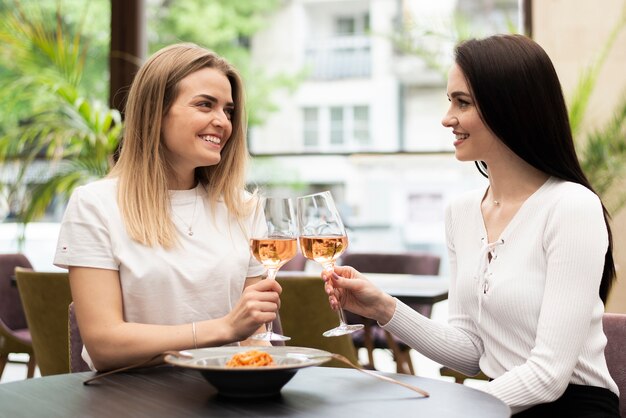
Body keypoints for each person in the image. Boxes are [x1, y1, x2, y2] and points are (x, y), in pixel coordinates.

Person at [323, 34, 620, 416]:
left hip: (572, 408)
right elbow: (469, 351)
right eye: (450, 101)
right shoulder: (461, 212)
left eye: (462, 102)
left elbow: (548, 374)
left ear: (510, 108)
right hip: (501, 404)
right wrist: (383, 307)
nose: (447, 118)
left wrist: (453, 409)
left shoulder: (572, 206)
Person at [53, 43, 281, 372]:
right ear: (155, 112)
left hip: (227, 393)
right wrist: (224, 329)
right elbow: (104, 345)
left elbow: (254, 338)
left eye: (228, 111)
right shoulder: (95, 205)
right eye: (206, 105)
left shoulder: (244, 207)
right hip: (129, 396)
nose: (222, 122)